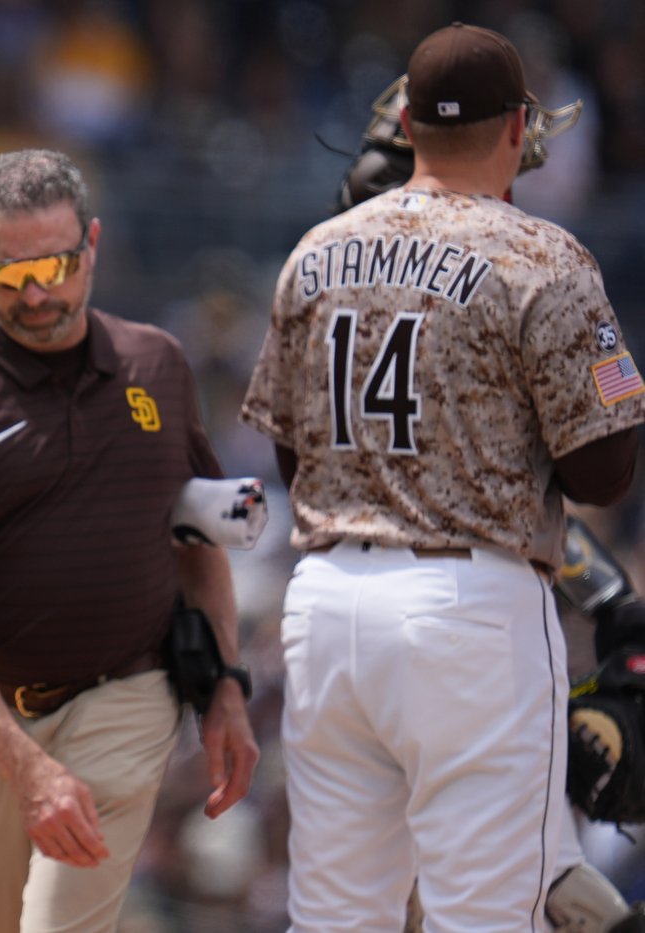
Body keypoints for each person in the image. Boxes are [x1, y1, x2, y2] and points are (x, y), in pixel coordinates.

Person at [240, 23, 645, 932]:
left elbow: (294, 459)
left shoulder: (317, 251)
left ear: (411, 126)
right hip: (470, 612)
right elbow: (605, 471)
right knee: (485, 913)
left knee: (336, 914)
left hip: (327, 605)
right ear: (518, 129)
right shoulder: (542, 255)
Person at [0, 148, 260, 933]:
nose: (37, 293)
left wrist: (227, 688)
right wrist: (25, 764)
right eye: (10, 274)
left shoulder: (158, 363)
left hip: (126, 695)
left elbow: (200, 535)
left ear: (92, 244)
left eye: (56, 266)